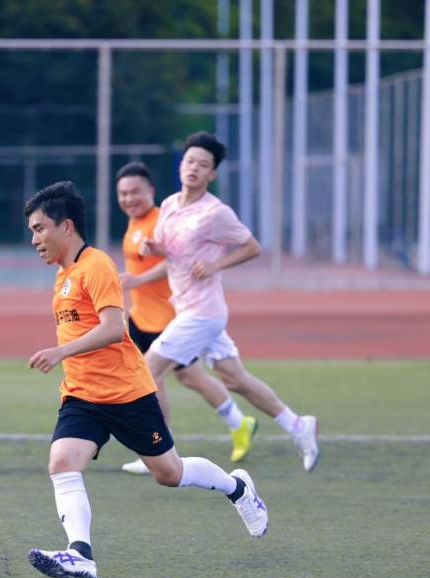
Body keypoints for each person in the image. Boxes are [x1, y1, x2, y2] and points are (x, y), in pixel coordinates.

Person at [24, 181, 268, 578]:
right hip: (82, 395)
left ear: (66, 226)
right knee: (62, 463)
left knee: (169, 473)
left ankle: (237, 487)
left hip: (127, 394)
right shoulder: (64, 275)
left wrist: (60, 352)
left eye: (39, 228)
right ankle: (80, 555)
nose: (34, 239)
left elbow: (113, 328)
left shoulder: (96, 266)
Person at [134, 131, 319, 472]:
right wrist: (155, 249)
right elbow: (173, 253)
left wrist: (216, 265)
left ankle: (158, 451)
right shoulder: (170, 205)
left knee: (148, 370)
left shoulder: (215, 212)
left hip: (202, 313)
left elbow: (252, 246)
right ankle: (298, 426)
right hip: (190, 308)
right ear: (181, 165)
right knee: (234, 379)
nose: (194, 168)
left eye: (203, 165)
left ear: (212, 174)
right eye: (190, 161)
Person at [115, 161, 258, 476]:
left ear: (150, 191)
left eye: (135, 192)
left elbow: (173, 261)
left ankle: (159, 448)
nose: (129, 198)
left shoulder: (159, 220)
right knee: (188, 378)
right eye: (123, 193)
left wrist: (137, 281)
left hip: (167, 318)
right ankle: (238, 423)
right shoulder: (134, 224)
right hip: (143, 318)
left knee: (158, 380)